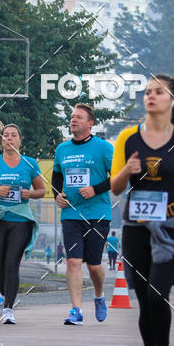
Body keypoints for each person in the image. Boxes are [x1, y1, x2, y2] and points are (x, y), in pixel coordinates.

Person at [110, 74, 174, 346]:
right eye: (147, 91)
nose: (151, 96)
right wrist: (127, 170)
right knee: (143, 298)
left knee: (158, 292)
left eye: (159, 92)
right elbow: (115, 187)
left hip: (171, 229)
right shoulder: (127, 138)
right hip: (135, 227)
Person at [0, 120, 45, 324]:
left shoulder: (30, 163)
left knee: (12, 264)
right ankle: (5, 294)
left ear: (20, 140)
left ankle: (8, 309)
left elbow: (42, 190)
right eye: (6, 135)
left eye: (14, 135)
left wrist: (29, 193)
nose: (9, 138)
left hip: (20, 219)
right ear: (2, 140)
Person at [52, 103, 113, 325]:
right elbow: (57, 177)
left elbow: (119, 176)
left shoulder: (103, 148)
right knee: (73, 262)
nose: (73, 120)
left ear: (90, 123)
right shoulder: (62, 149)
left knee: (94, 265)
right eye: (72, 117)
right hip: (71, 214)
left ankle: (99, 295)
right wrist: (57, 195)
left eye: (79, 117)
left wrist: (95, 189)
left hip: (97, 213)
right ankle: (76, 310)